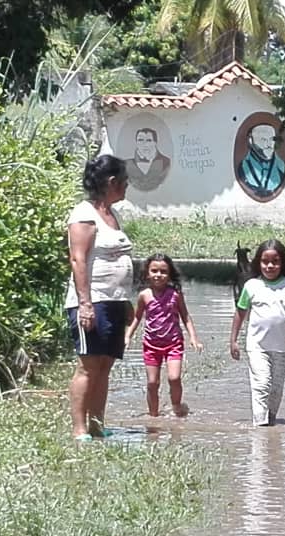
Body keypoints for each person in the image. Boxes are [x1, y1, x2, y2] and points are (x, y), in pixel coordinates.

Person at [65, 155, 134, 441]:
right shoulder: (84, 214)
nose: (127, 187)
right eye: (125, 182)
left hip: (114, 302)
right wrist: (85, 304)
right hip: (92, 302)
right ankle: (79, 429)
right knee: (89, 366)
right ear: (111, 182)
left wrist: (125, 301)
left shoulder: (110, 214)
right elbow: (78, 259)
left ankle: (97, 424)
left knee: (105, 365)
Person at [229, 239, 285, 426]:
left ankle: (270, 420)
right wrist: (233, 340)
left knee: (276, 389)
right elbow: (240, 313)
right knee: (261, 384)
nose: (270, 266)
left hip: (281, 347)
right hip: (257, 346)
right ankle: (260, 425)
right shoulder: (251, 286)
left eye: (275, 261)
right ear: (258, 263)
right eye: (265, 261)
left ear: (283, 263)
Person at [125, 253, 203, 418]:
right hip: (151, 345)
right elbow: (137, 317)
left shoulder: (175, 294)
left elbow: (185, 316)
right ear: (147, 273)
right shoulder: (144, 295)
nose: (158, 275)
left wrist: (193, 338)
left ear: (169, 275)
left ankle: (176, 408)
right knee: (152, 383)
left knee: (174, 378)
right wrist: (128, 335)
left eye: (163, 271)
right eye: (154, 271)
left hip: (173, 344)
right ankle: (153, 417)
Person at [237, 123, 285, 199]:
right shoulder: (243, 167)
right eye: (263, 140)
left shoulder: (282, 167)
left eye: (272, 139)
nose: (269, 144)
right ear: (251, 141)